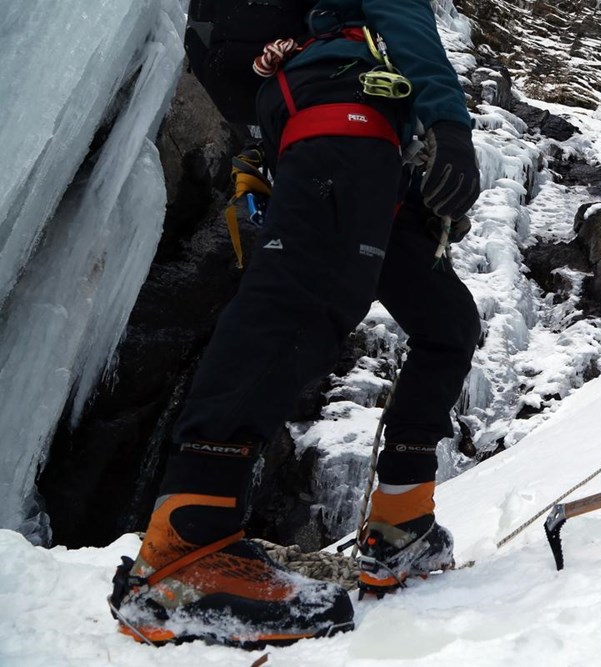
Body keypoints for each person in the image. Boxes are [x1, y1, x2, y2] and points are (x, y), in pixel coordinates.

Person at [109, 0, 481, 646]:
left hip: (355, 139)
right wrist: (451, 127)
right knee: (298, 302)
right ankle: (186, 546)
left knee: (447, 321)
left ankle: (402, 522)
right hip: (346, 116)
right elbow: (409, 24)